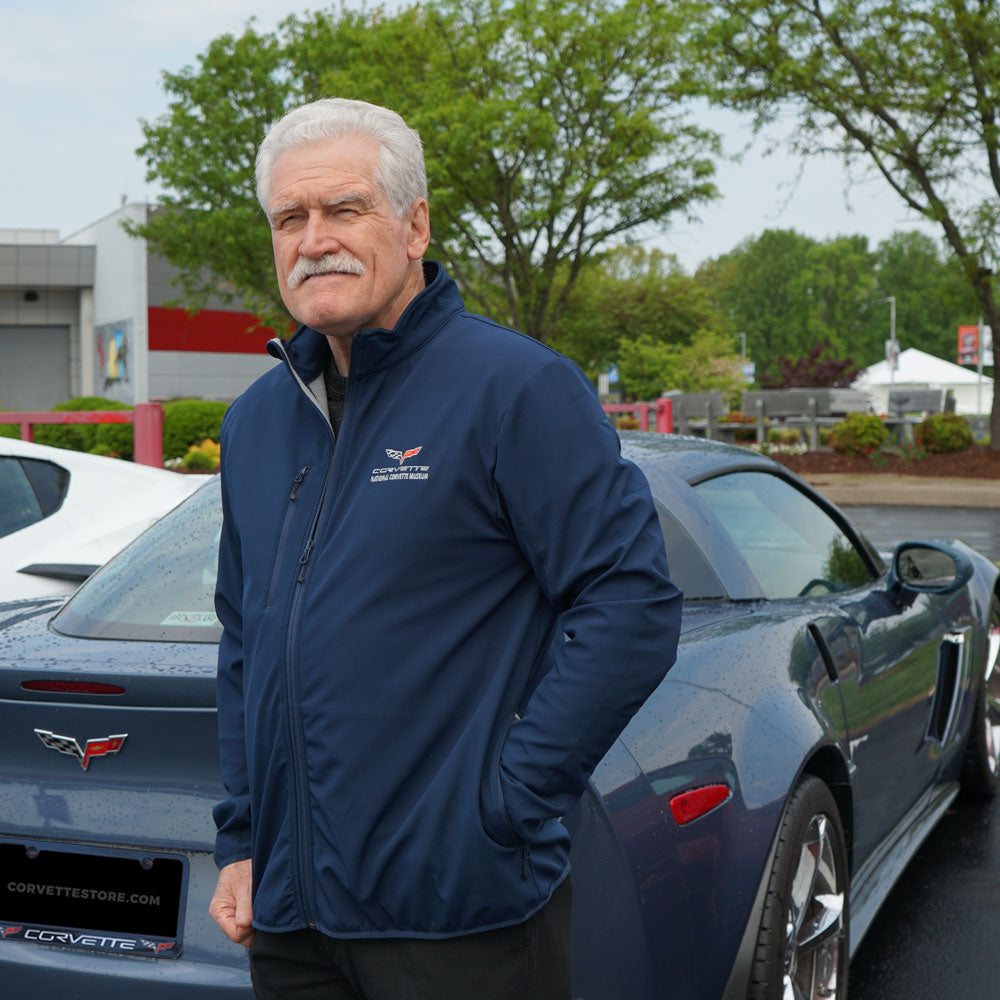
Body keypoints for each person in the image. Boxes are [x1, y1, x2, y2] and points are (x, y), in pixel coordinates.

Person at [209, 97, 682, 1000]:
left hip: (463, 915)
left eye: (344, 210)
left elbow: (630, 605)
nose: (314, 240)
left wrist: (503, 801)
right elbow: (244, 640)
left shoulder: (516, 388)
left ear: (415, 223)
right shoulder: (256, 423)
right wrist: (241, 840)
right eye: (289, 218)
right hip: (294, 921)